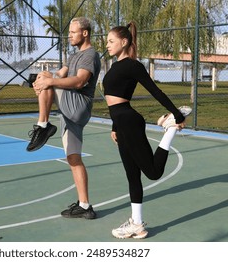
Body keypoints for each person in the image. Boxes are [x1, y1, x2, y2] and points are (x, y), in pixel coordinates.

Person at [103, 21, 192, 238]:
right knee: (132, 176)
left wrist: (177, 114)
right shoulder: (114, 66)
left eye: (111, 41)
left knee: (153, 172)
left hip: (130, 121)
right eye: (107, 41)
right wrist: (114, 127)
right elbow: (115, 98)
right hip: (121, 123)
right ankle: (137, 224)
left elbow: (155, 91)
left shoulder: (133, 65)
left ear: (124, 42)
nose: (107, 45)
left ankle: (170, 129)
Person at [26, 17, 101, 219]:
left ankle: (43, 126)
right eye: (69, 33)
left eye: (73, 32)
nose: (69, 36)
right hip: (69, 111)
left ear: (85, 33)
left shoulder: (90, 55)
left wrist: (47, 82)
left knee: (47, 80)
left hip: (79, 105)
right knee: (73, 158)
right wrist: (43, 81)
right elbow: (60, 74)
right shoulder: (73, 56)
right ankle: (85, 206)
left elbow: (79, 82)